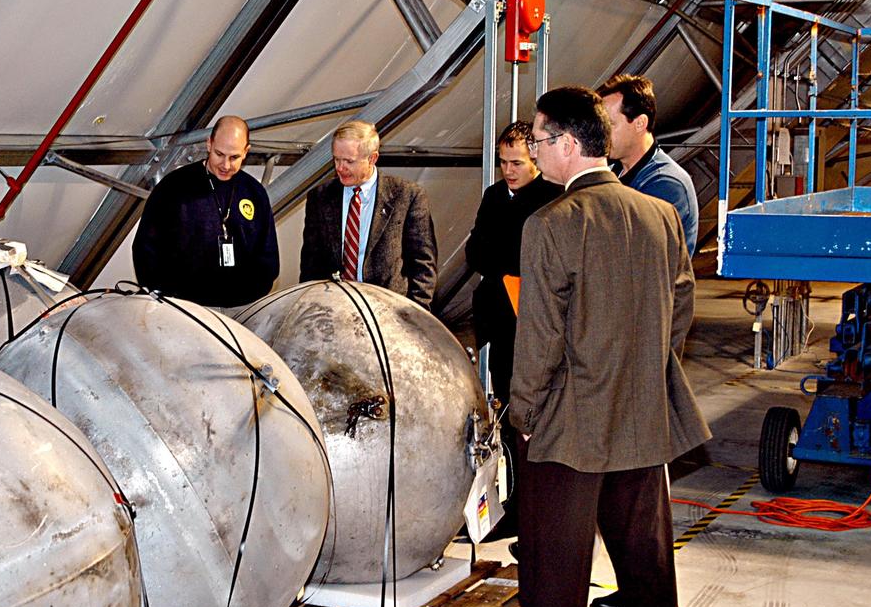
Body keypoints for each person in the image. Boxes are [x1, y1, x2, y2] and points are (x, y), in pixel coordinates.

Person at [485, 86, 711, 607]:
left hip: (568, 428)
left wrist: (521, 414)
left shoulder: (552, 223)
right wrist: (642, 375)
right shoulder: (658, 215)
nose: (531, 149)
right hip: (642, 419)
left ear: (565, 144)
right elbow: (681, 309)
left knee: (555, 565)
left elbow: (540, 338)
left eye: (537, 137)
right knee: (646, 560)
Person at [590, 74, 700, 607]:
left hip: (639, 364)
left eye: (611, 120)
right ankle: (634, 585)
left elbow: (661, 285)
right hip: (616, 361)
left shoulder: (666, 188)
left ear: (639, 122)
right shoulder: (620, 174)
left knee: (641, 500)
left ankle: (646, 593)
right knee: (622, 495)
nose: (604, 130)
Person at [132, 115, 278, 308]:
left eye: (234, 157)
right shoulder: (174, 187)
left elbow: (268, 257)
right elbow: (145, 249)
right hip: (186, 309)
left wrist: (248, 296)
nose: (226, 165)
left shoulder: (254, 192)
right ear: (209, 144)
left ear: (246, 152)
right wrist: (167, 299)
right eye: (219, 154)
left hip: (242, 310)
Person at [465, 120, 562, 396]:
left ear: (535, 157)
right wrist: (509, 259)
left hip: (533, 321)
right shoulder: (494, 195)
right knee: (504, 393)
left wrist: (502, 257)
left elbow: (536, 261)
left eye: (516, 163)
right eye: (503, 162)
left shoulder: (553, 197)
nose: (508, 170)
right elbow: (475, 254)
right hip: (498, 320)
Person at [299, 120, 437, 308]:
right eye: (336, 159)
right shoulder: (320, 197)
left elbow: (423, 264)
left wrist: (414, 315)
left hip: (389, 312)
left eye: (349, 161)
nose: (340, 168)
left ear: (372, 158)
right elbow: (310, 265)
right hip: (335, 310)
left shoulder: (407, 196)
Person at [598, 75, 699, 256]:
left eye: (610, 125)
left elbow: (628, 252)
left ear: (640, 123)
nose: (602, 134)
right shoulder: (615, 171)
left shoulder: (666, 184)